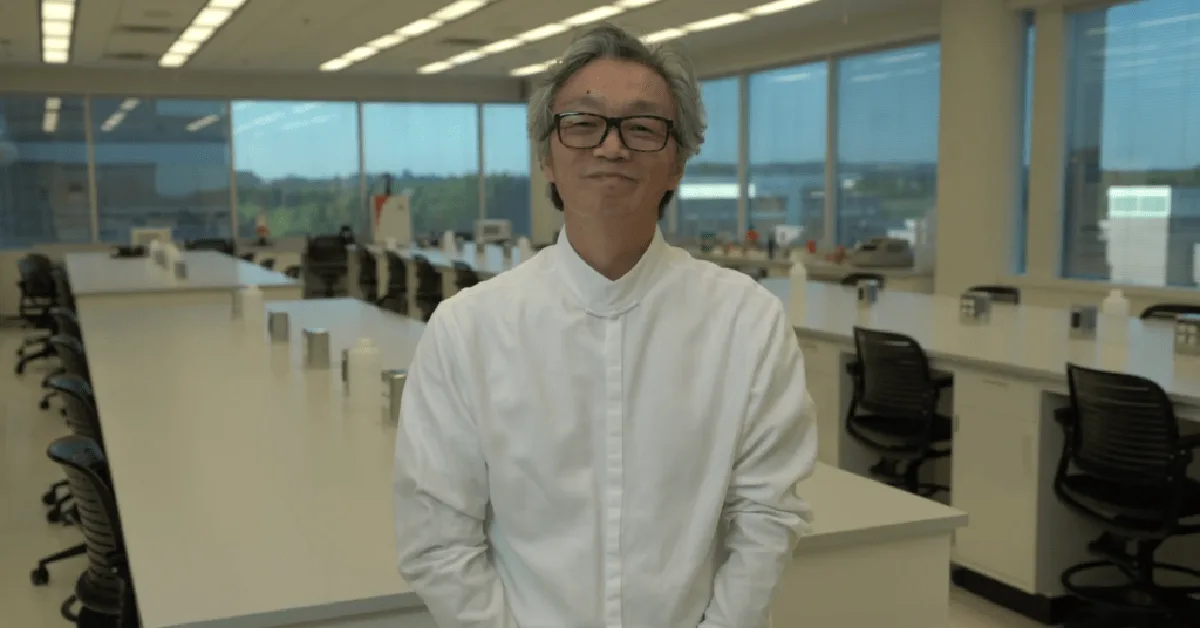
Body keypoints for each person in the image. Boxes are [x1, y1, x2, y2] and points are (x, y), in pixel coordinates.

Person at [393, 23, 818, 628]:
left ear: (677, 163)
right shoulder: (468, 330)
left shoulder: (747, 323)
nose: (612, 147)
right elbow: (437, 538)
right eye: (583, 123)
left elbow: (768, 517)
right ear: (546, 157)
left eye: (642, 127)